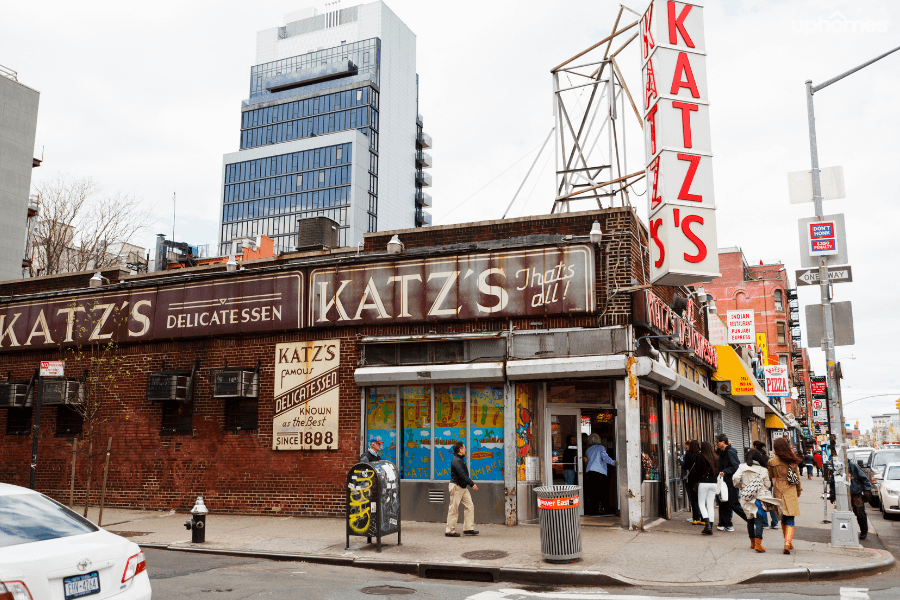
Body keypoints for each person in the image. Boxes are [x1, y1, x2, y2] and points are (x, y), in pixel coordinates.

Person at [733, 449, 783, 553]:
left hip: (746, 497)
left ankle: (752, 542)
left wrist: (740, 486)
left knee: (750, 519)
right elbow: (768, 484)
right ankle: (758, 544)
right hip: (759, 498)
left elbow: (736, 477)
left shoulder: (742, 467)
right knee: (759, 519)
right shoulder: (763, 469)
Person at [768, 437, 803, 554]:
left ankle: (788, 542)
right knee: (790, 516)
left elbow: (771, 475)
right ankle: (787, 543)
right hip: (790, 488)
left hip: (778, 487)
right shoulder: (792, 461)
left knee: (782, 515)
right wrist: (798, 490)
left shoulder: (772, 461)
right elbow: (797, 477)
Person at [715, 434, 748, 531]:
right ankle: (725, 524)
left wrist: (725, 472)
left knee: (733, 503)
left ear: (722, 442)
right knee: (723, 502)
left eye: (717, 442)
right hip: (724, 481)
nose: (716, 444)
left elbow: (735, 466)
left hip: (730, 481)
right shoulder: (723, 452)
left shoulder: (730, 452)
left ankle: (752, 521)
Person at [446, 441, 479, 537]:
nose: (465, 449)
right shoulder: (456, 460)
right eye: (464, 447)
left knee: (470, 506)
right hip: (456, 487)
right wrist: (472, 484)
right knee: (453, 509)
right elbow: (462, 474)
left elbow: (463, 475)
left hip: (462, 487)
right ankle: (449, 531)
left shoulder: (459, 459)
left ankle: (468, 528)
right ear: (460, 450)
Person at [585, 433, 616, 515]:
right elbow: (605, 458)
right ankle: (602, 509)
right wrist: (615, 463)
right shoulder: (601, 447)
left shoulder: (588, 450)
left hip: (590, 472)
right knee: (602, 492)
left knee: (593, 492)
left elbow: (587, 461)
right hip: (600, 472)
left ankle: (593, 510)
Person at [695, 441, 719, 536]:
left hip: (703, 483)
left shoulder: (700, 457)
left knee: (701, 503)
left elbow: (697, 471)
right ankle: (711, 526)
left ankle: (707, 525)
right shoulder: (716, 458)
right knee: (710, 505)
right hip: (714, 483)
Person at [848, 456, 872, 541]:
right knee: (846, 514)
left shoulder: (853, 465)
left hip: (856, 494)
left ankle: (864, 531)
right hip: (844, 495)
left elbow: (864, 478)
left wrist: (866, 490)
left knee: (860, 513)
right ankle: (848, 532)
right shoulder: (837, 466)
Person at [683, 440, 703, 525]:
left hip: (691, 479)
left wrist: (681, 461)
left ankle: (695, 517)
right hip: (699, 480)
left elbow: (686, 466)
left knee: (693, 499)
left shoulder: (688, 454)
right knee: (700, 499)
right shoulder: (701, 454)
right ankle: (702, 517)